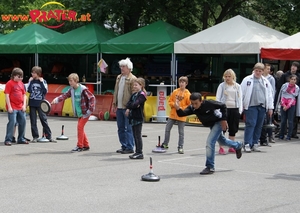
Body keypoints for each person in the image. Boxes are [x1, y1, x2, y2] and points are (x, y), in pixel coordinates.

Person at [174, 92, 242, 175]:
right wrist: (177, 108)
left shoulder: (209, 103)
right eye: (192, 103)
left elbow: (223, 106)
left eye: (196, 103)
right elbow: (182, 114)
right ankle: (238, 145)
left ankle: (210, 167)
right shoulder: (193, 108)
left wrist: (223, 120)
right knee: (222, 141)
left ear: (201, 101)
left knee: (210, 142)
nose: (194, 105)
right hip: (211, 124)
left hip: (218, 122)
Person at [51, 73, 95, 152]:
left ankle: (79, 146)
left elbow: (92, 98)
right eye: (69, 81)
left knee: (80, 127)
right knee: (80, 128)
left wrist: (90, 110)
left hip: (85, 112)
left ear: (76, 81)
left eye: (71, 81)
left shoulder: (83, 89)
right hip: (79, 112)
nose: (70, 83)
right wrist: (56, 100)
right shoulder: (71, 89)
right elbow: (64, 95)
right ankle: (86, 145)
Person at [240, 63, 274, 153]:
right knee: (251, 124)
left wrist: (270, 108)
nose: (258, 72)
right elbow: (241, 93)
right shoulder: (247, 80)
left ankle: (255, 143)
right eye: (256, 71)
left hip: (262, 106)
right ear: (253, 70)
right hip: (251, 106)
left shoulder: (266, 81)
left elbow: (270, 95)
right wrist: (241, 106)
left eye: (260, 71)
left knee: (259, 126)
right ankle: (247, 143)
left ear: (263, 72)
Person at [160, 76, 191, 154]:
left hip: (181, 115)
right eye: (180, 82)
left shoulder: (188, 94)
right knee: (167, 129)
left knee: (181, 132)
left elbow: (189, 105)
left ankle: (180, 146)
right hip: (173, 114)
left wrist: (180, 108)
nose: (181, 84)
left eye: (183, 82)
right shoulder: (175, 91)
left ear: (186, 84)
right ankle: (165, 143)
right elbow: (170, 101)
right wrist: (174, 105)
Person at [113, 58, 137, 154]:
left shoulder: (133, 79)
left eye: (124, 67)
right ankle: (124, 145)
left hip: (127, 107)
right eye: (121, 66)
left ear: (129, 68)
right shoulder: (119, 77)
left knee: (129, 128)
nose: (121, 68)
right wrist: (114, 103)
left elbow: (134, 94)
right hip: (119, 107)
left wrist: (130, 107)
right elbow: (116, 91)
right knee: (121, 128)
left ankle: (130, 146)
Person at [216, 69, 242, 154]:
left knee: (233, 128)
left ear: (233, 77)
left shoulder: (237, 86)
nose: (227, 78)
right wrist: (218, 110)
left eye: (229, 76)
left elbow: (240, 98)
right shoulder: (222, 86)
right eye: (226, 76)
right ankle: (221, 147)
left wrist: (240, 110)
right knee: (223, 128)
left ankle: (232, 146)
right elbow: (218, 98)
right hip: (224, 109)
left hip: (234, 109)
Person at [27, 66, 55, 142]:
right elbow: (29, 90)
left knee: (43, 119)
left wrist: (42, 82)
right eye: (32, 72)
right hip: (32, 103)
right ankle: (35, 136)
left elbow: (45, 91)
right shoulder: (32, 81)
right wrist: (29, 82)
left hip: (40, 103)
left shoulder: (43, 81)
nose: (32, 74)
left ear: (38, 74)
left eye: (34, 73)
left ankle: (48, 135)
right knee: (33, 120)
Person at [4, 68, 28, 146]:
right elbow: (7, 95)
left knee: (23, 121)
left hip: (20, 106)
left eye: (21, 77)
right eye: (19, 76)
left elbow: (24, 95)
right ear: (14, 76)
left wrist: (24, 105)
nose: (20, 78)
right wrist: (9, 107)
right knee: (12, 122)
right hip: (13, 106)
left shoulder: (21, 83)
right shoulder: (9, 83)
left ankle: (21, 138)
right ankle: (8, 139)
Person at [276, 62, 300, 139]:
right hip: (284, 102)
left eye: (295, 67)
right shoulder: (284, 76)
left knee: (292, 119)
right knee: (283, 120)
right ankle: (282, 133)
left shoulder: (298, 79)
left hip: (293, 102)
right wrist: (282, 103)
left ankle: (292, 133)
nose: (293, 68)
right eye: (293, 66)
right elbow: (280, 88)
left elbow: (295, 94)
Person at [125, 78, 147, 159]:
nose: (134, 86)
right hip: (133, 117)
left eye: (136, 85)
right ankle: (136, 151)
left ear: (141, 86)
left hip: (138, 117)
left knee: (138, 135)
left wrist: (132, 106)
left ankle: (139, 152)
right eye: (133, 85)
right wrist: (130, 106)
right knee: (134, 135)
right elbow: (129, 103)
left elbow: (136, 104)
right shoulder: (134, 94)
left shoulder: (142, 95)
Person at [259, 63, 276, 146]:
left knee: (268, 121)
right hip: (260, 103)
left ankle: (269, 136)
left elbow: (272, 91)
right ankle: (261, 137)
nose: (269, 70)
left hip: (267, 103)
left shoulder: (271, 79)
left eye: (269, 69)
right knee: (262, 122)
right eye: (267, 69)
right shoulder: (259, 78)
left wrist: (271, 104)